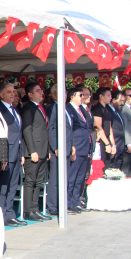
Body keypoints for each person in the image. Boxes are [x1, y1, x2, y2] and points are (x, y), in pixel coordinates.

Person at [20, 82, 52, 222]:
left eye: (41, 90)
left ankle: (35, 209)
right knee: (30, 181)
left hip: (42, 149)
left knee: (38, 181)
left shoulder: (40, 108)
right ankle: (28, 210)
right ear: (30, 94)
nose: (41, 93)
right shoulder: (28, 108)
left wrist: (47, 149)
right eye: (38, 91)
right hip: (33, 151)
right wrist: (32, 150)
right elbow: (27, 130)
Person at [0, 83, 26, 226]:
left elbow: (18, 132)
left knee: (13, 184)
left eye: (13, 92)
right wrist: (2, 155)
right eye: (9, 92)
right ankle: (2, 214)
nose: (13, 94)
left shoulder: (14, 109)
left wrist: (22, 153)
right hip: (6, 151)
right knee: (4, 185)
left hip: (16, 151)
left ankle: (10, 213)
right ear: (1, 95)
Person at [45, 85, 74, 216]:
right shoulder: (52, 107)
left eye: (66, 93)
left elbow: (69, 128)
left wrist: (71, 145)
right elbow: (51, 128)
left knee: (64, 178)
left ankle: (62, 204)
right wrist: (55, 147)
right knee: (55, 178)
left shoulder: (64, 107)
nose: (65, 95)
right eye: (62, 93)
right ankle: (52, 206)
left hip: (66, 146)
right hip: (57, 148)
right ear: (54, 95)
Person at [66, 88, 90, 214]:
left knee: (80, 178)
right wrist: (72, 147)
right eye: (80, 95)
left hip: (84, 147)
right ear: (72, 96)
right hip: (76, 147)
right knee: (72, 177)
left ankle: (76, 201)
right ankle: (68, 202)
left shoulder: (82, 110)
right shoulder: (68, 109)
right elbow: (69, 130)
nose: (82, 97)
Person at [92, 87, 116, 165]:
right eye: (108, 95)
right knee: (102, 164)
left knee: (108, 164)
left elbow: (109, 127)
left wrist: (113, 144)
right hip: (101, 141)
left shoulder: (107, 109)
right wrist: (107, 144)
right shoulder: (97, 109)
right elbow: (98, 127)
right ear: (101, 96)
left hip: (107, 139)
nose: (110, 98)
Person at [108, 90, 125, 170]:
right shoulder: (108, 111)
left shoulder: (117, 111)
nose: (122, 103)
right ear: (114, 100)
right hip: (114, 145)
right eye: (121, 100)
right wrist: (112, 144)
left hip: (120, 146)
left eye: (123, 101)